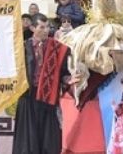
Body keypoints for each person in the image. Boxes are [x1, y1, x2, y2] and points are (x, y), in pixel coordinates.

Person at [12, 14, 77, 154]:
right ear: (32, 28)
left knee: (50, 141)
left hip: (48, 97)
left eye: (48, 27)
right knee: (27, 142)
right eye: (42, 27)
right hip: (27, 97)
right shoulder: (22, 48)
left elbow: (64, 73)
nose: (46, 30)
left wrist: (68, 80)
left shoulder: (57, 48)